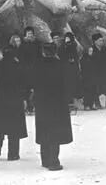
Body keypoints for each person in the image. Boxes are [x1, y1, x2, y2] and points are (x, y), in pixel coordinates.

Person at [34, 43, 73, 171]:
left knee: (44, 129)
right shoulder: (61, 65)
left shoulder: (38, 65)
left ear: (43, 52)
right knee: (55, 132)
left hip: (42, 103)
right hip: (58, 103)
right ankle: (54, 160)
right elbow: (67, 84)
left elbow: (32, 82)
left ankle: (45, 159)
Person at [0, 48, 27, 161]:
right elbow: (24, 83)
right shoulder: (19, 66)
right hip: (15, 98)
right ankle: (13, 153)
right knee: (14, 127)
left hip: (0, 99)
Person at [19, 27, 42, 115]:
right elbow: (22, 58)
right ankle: (28, 107)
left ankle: (35, 106)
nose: (30, 35)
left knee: (36, 89)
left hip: (36, 70)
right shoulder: (23, 44)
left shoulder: (37, 44)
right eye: (28, 33)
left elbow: (39, 56)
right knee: (27, 89)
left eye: (31, 33)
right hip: (26, 71)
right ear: (25, 35)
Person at [91, 33, 106, 109]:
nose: (102, 42)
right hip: (96, 72)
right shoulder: (91, 49)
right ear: (95, 41)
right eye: (100, 40)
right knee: (96, 88)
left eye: (102, 40)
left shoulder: (104, 49)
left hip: (105, 72)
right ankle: (97, 103)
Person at [59, 32, 82, 110]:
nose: (67, 40)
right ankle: (68, 102)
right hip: (65, 69)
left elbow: (76, 56)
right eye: (66, 39)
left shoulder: (74, 45)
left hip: (73, 69)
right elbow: (61, 55)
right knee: (66, 86)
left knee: (73, 86)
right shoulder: (62, 46)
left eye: (69, 39)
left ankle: (73, 103)